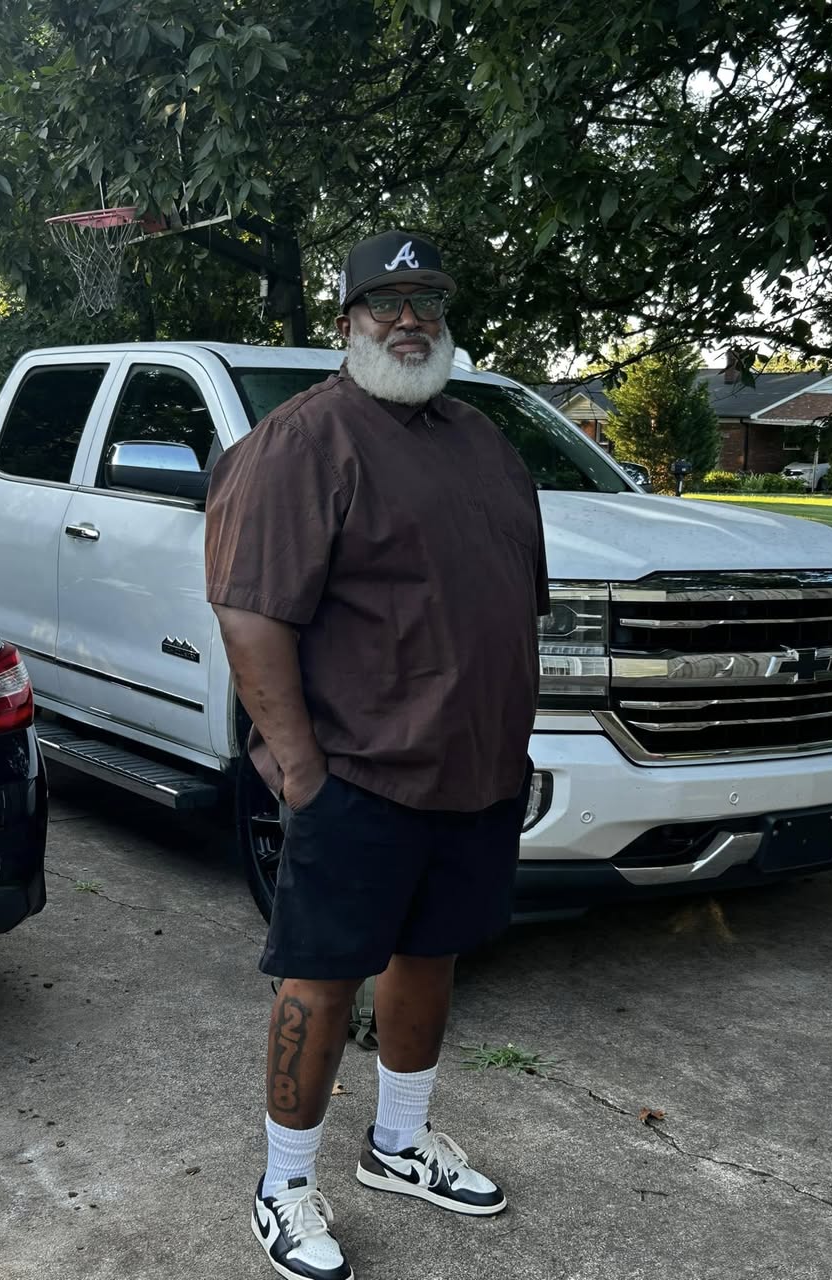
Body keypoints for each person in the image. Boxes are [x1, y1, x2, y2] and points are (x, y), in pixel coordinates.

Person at [205, 229, 549, 1280]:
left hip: (473, 771)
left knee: (431, 955)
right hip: (357, 773)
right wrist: (302, 769)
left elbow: (513, 597)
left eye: (427, 300)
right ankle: (283, 1185)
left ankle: (398, 1143)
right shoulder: (303, 441)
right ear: (348, 320)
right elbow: (251, 614)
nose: (409, 319)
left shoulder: (482, 441)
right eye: (386, 302)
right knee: (321, 977)